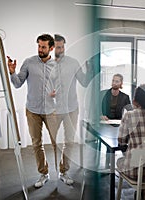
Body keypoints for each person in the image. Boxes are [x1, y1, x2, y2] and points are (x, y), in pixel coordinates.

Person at [7, 34, 58, 188]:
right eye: (39, 46)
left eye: (43, 47)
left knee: (58, 143)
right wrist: (12, 72)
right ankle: (43, 173)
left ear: (51, 48)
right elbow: (17, 84)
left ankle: (62, 172)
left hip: (51, 110)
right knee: (37, 144)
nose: (40, 49)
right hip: (33, 110)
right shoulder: (29, 62)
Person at [50, 34, 92, 185]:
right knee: (52, 142)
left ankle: (64, 171)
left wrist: (90, 70)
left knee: (69, 141)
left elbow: (84, 82)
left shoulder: (73, 63)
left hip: (71, 109)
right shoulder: (46, 64)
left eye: (62, 47)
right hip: (52, 109)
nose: (60, 50)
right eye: (57, 47)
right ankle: (48, 173)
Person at [116, 84, 145, 200]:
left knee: (120, 161)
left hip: (135, 172)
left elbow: (121, 140)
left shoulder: (129, 115)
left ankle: (143, 192)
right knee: (144, 157)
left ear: (136, 100)